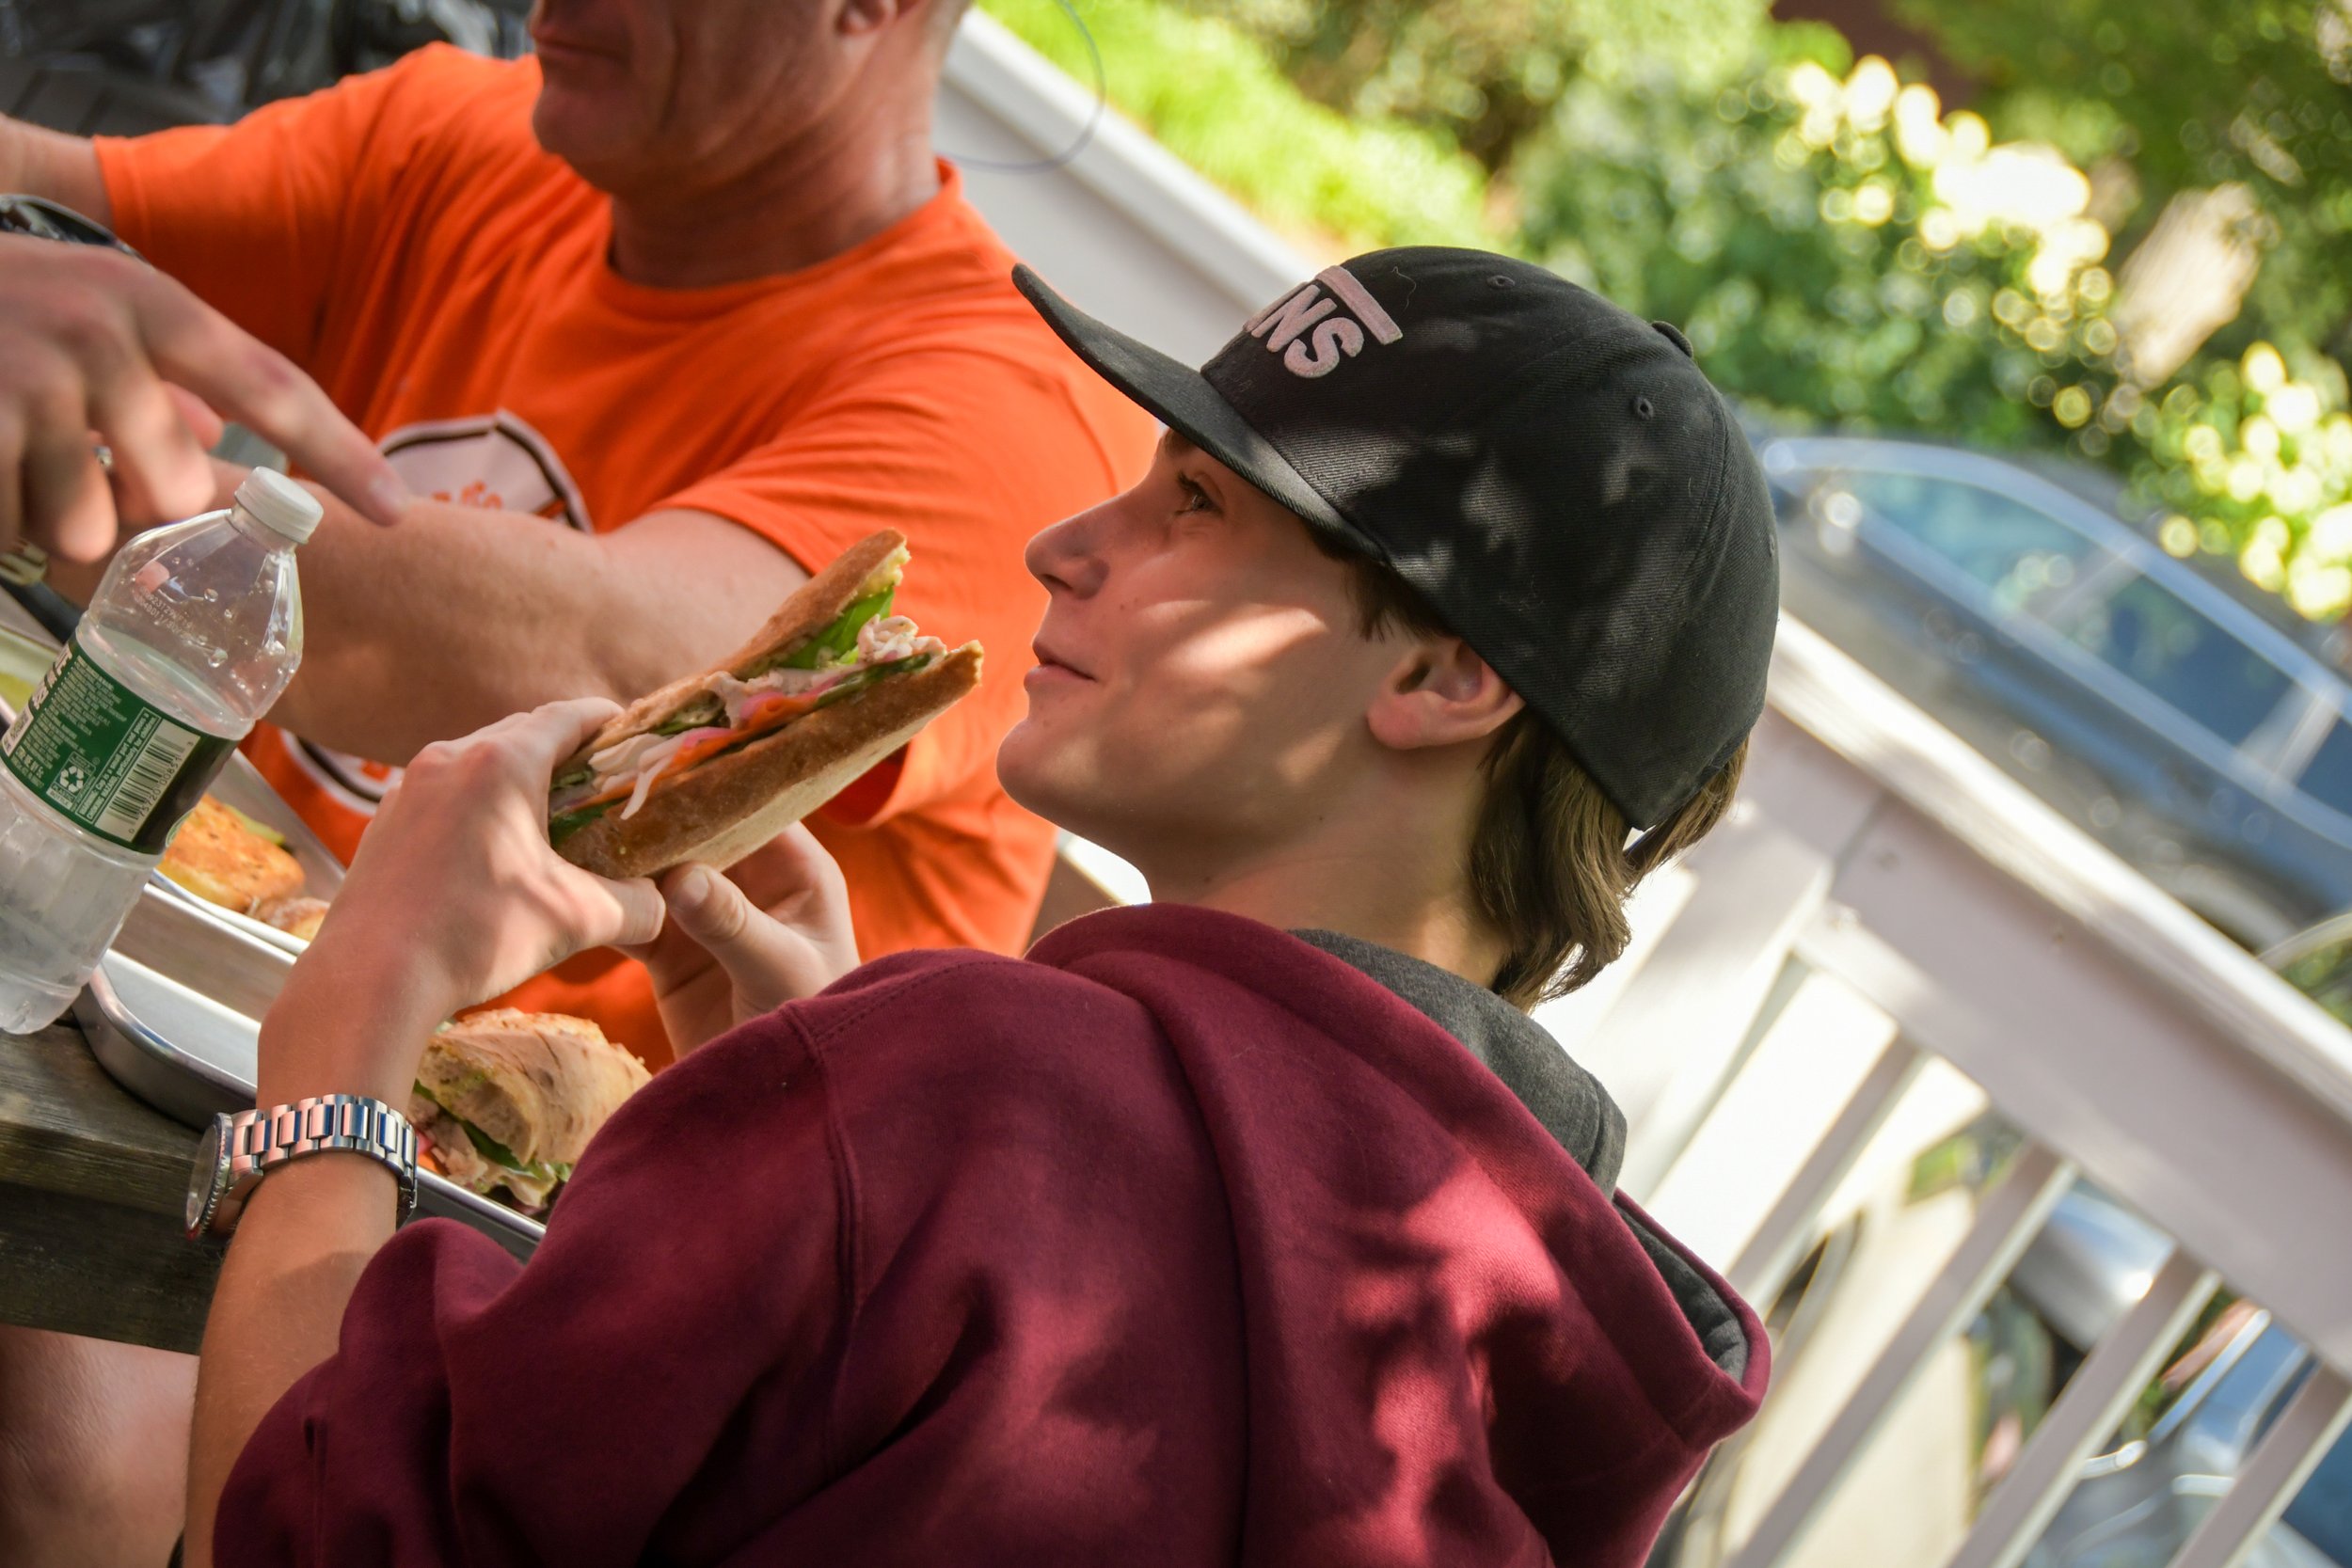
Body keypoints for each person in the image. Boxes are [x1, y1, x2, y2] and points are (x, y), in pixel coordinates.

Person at [174, 247, 1779, 1566]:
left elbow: (316, 1531)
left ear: (1444, 675)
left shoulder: (964, 1095)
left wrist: (347, 1045)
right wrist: (813, 1118)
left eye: (1200, 507)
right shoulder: (1517, 1336)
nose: (1063, 545)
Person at [0, 1, 1152, 1559]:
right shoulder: (468, 131)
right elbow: (48, 189)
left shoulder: (1004, 415)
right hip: (152, 1061)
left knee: (42, 1415)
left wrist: (80, 421)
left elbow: (599, 666)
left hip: (492, 1307)